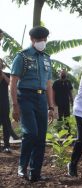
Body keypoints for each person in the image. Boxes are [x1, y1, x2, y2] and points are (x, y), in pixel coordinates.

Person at [10, 26, 54, 182]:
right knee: (31, 133)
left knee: (41, 137)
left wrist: (51, 107)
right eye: (39, 39)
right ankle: (23, 166)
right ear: (32, 39)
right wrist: (15, 106)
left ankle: (35, 172)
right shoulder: (22, 57)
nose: (42, 42)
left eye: (44, 39)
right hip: (25, 98)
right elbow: (13, 83)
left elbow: (49, 84)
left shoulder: (47, 58)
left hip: (41, 99)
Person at [0, 58, 20, 153]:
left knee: (6, 125)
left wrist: (3, 75)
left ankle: (6, 145)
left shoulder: (7, 74)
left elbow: (11, 84)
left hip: (4, 104)